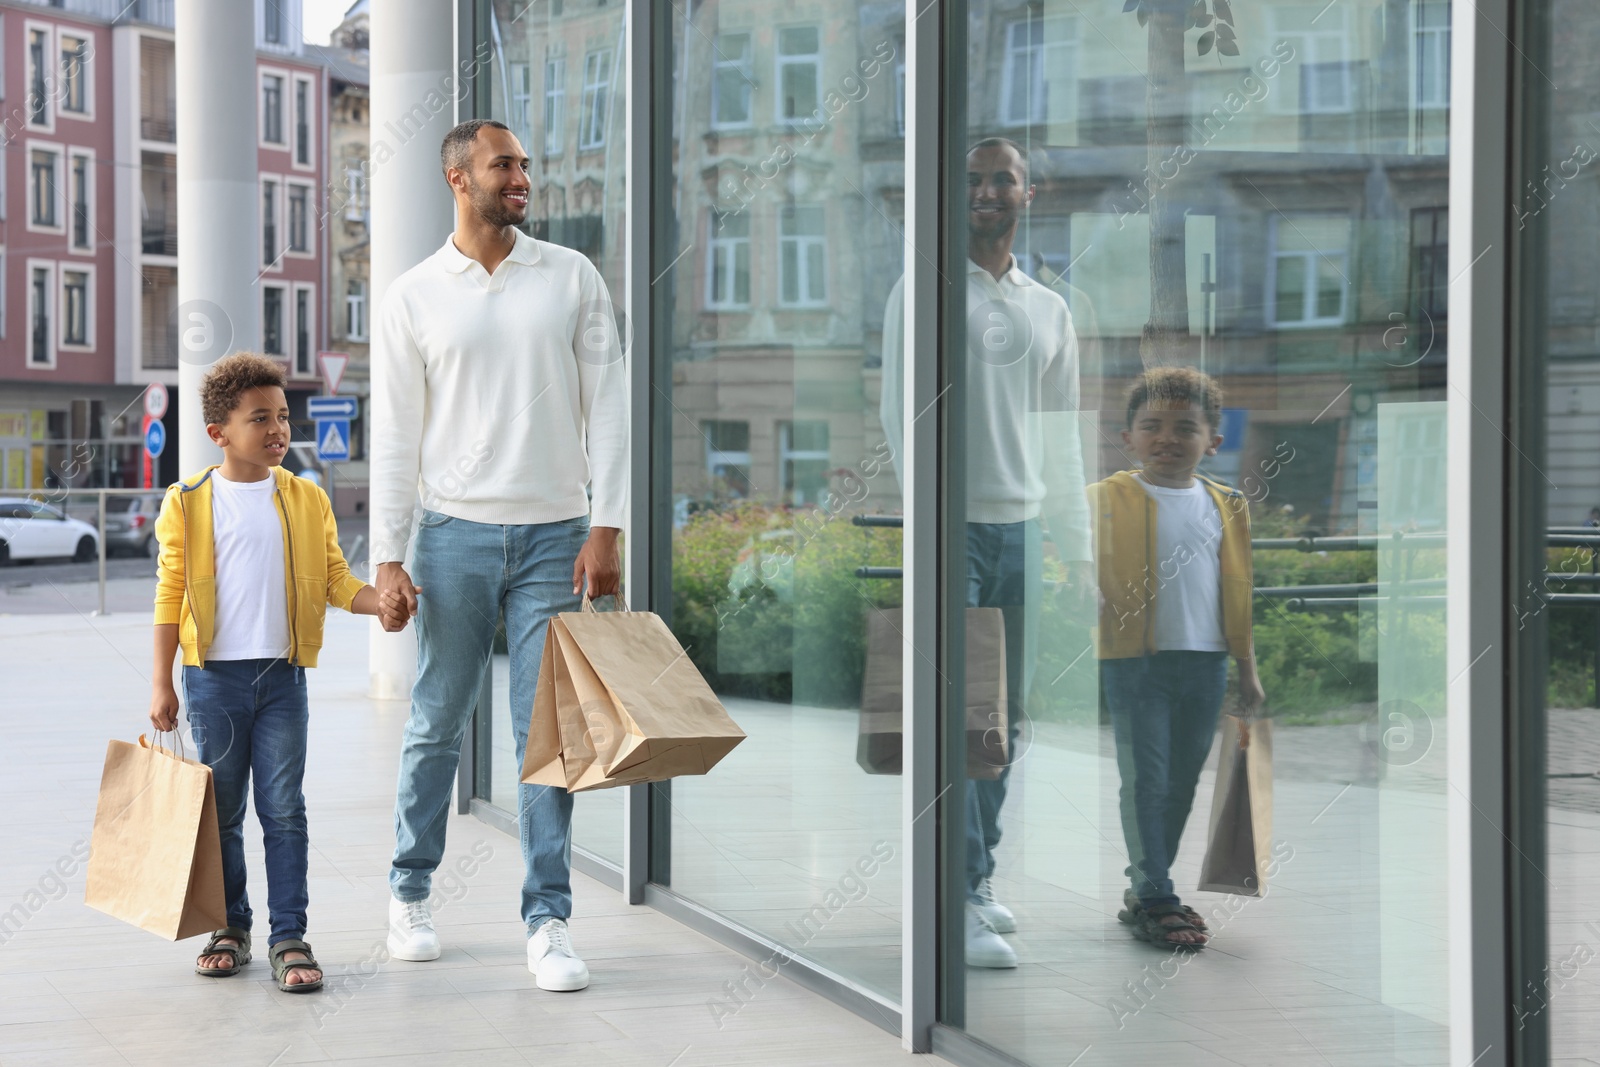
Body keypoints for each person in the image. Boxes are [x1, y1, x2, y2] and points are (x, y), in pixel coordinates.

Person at [371, 119, 627, 992]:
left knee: (544, 737)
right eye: (503, 164)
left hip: (558, 535)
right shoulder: (413, 295)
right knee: (435, 720)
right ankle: (409, 891)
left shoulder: (571, 276)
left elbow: (613, 406)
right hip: (450, 537)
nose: (521, 176)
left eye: (525, 163)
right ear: (458, 178)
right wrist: (388, 557)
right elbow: (397, 435)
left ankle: (548, 920)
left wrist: (609, 524)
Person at [880, 137, 1093, 968]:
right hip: (954, 530)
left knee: (1005, 720)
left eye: (1000, 177)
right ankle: (959, 890)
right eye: (969, 178)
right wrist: (925, 525)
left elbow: (1062, 439)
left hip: (1024, 532)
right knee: (963, 716)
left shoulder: (1048, 308)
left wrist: (1074, 547)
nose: (985, 190)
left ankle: (975, 878)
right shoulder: (923, 290)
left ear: (1027, 193)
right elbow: (903, 421)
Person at [148, 353, 406, 992]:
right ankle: (230, 928)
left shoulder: (305, 497)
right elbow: (170, 591)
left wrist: (384, 605)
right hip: (214, 681)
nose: (277, 430)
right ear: (219, 433)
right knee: (225, 810)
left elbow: (338, 580)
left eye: (283, 416)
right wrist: (161, 681)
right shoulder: (188, 503)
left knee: (284, 809)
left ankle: (289, 935)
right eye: (259, 418)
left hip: (283, 679)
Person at [1089, 367, 1265, 949]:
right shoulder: (1103, 500)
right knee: (1147, 779)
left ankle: (1147, 886)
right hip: (1135, 663)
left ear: (1212, 441)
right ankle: (1157, 892)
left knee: (1183, 781)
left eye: (1185, 428)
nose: (1167, 438)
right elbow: (1066, 568)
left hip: (1206, 662)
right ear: (1127, 437)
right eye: (1152, 426)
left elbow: (1238, 592)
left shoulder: (1228, 505)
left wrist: (1248, 670)